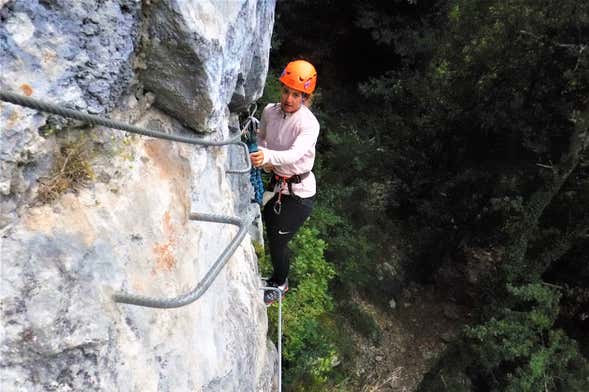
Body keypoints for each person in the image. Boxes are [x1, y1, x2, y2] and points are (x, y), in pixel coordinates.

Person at [250, 59, 320, 305]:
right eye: (286, 91)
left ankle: (280, 283)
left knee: (279, 240)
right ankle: (275, 279)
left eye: (296, 94)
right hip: (277, 184)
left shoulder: (309, 124)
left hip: (299, 193)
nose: (288, 98)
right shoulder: (270, 111)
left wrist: (267, 156)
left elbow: (293, 153)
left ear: (306, 98)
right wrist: (261, 152)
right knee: (269, 223)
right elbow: (262, 138)